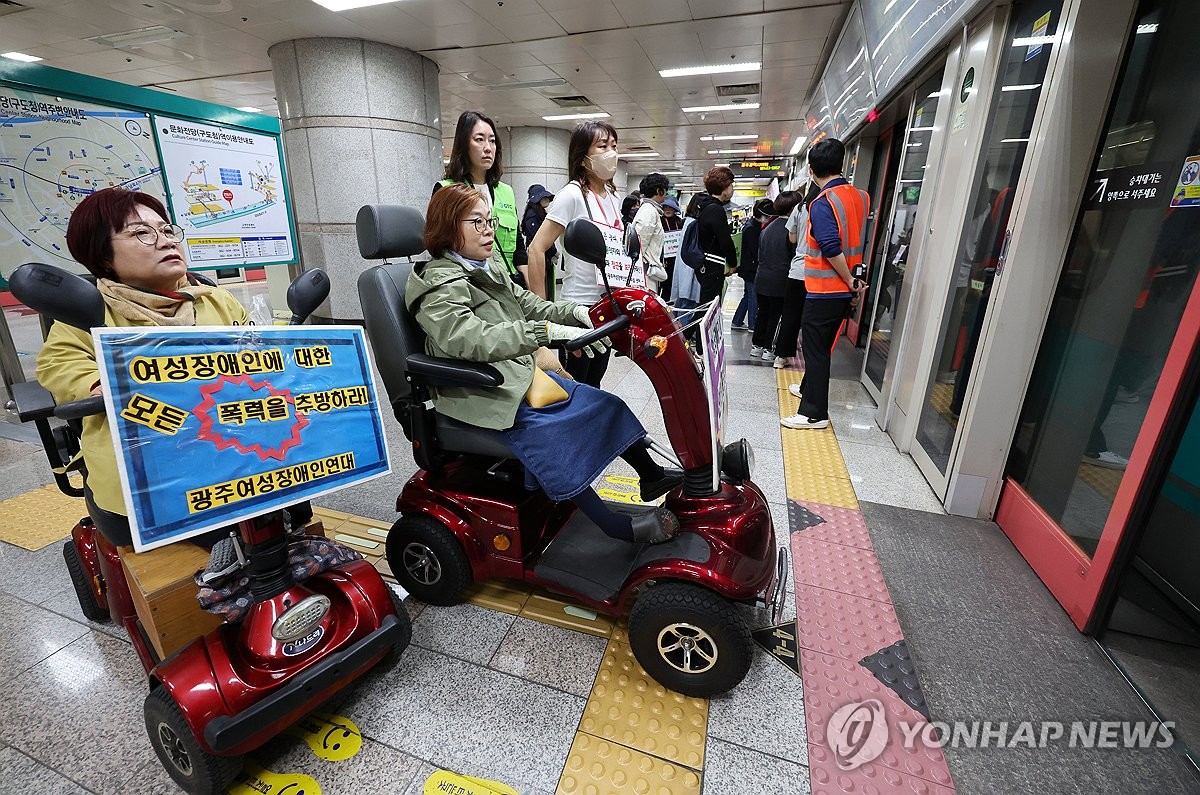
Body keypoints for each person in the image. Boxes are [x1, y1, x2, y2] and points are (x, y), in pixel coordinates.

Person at [405, 184, 681, 543]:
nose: (489, 229)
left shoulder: (484, 270)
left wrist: (581, 314)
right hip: (478, 390)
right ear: (447, 226)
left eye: (490, 220)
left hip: (514, 378)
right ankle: (617, 528)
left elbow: (533, 306)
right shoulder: (438, 284)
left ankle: (651, 474)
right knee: (557, 440)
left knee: (603, 402)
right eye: (477, 222)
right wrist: (543, 333)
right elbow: (467, 339)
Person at [37, 188, 250, 525]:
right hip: (145, 458)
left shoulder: (215, 300)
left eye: (167, 230)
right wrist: (98, 384)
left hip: (231, 445)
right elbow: (60, 363)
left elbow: (258, 346)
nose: (166, 241)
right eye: (141, 233)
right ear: (104, 256)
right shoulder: (89, 311)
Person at [526, 120, 625, 386]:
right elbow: (536, 248)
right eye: (602, 146)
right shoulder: (571, 195)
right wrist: (542, 308)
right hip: (578, 306)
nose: (610, 153)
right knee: (574, 383)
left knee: (596, 380)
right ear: (583, 158)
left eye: (613, 146)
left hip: (607, 305)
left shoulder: (614, 199)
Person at [782, 139, 870, 430]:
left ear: (811, 170)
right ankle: (809, 390)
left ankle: (813, 413)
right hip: (844, 287)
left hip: (826, 288)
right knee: (823, 345)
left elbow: (831, 246)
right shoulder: (860, 197)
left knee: (815, 349)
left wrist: (847, 280)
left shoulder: (822, 202)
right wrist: (854, 282)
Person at [434, 111, 528, 287]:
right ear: (464, 145)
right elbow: (440, 249)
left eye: (492, 141)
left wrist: (531, 291)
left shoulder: (506, 191)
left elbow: (519, 249)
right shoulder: (447, 190)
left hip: (508, 283)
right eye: (479, 139)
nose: (488, 148)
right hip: (470, 283)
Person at [752, 192, 801, 363]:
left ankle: (756, 346)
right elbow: (794, 256)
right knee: (775, 315)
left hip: (762, 277)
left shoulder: (767, 229)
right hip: (780, 280)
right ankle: (768, 349)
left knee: (763, 313)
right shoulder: (791, 230)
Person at [776, 182, 821, 368]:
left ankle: (781, 357)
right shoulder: (826, 205)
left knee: (790, 315)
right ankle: (812, 360)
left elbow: (792, 238)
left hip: (797, 271)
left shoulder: (800, 208)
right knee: (813, 319)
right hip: (819, 273)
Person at [694, 167, 739, 311]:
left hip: (706, 264)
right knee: (708, 309)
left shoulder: (706, 206)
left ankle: (693, 334)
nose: (732, 188)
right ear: (724, 187)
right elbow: (725, 240)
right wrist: (733, 263)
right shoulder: (715, 209)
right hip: (713, 265)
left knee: (706, 307)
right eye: (731, 184)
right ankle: (693, 334)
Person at [733, 198, 773, 332]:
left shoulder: (751, 225)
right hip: (751, 268)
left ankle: (737, 321)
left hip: (748, 267)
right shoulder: (752, 228)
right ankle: (752, 324)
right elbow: (755, 250)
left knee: (748, 295)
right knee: (753, 296)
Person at [670, 194, 705, 336]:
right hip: (690, 271)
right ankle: (682, 339)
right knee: (687, 308)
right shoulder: (694, 224)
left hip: (683, 270)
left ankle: (678, 337)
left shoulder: (687, 222)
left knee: (681, 306)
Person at [631, 173, 670, 294]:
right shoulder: (649, 211)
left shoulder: (649, 209)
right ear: (659, 191)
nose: (666, 194)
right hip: (645, 271)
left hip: (646, 269)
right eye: (665, 191)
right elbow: (639, 243)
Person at [521, 184, 556, 277]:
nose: (546, 200)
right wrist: (553, 251)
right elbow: (538, 238)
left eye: (546, 197)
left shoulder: (539, 214)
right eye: (543, 197)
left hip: (544, 257)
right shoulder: (532, 216)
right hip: (538, 257)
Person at [659, 195, 684, 301]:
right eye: (665, 207)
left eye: (670, 208)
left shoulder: (680, 222)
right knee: (664, 283)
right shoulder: (659, 221)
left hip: (677, 259)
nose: (668, 210)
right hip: (663, 259)